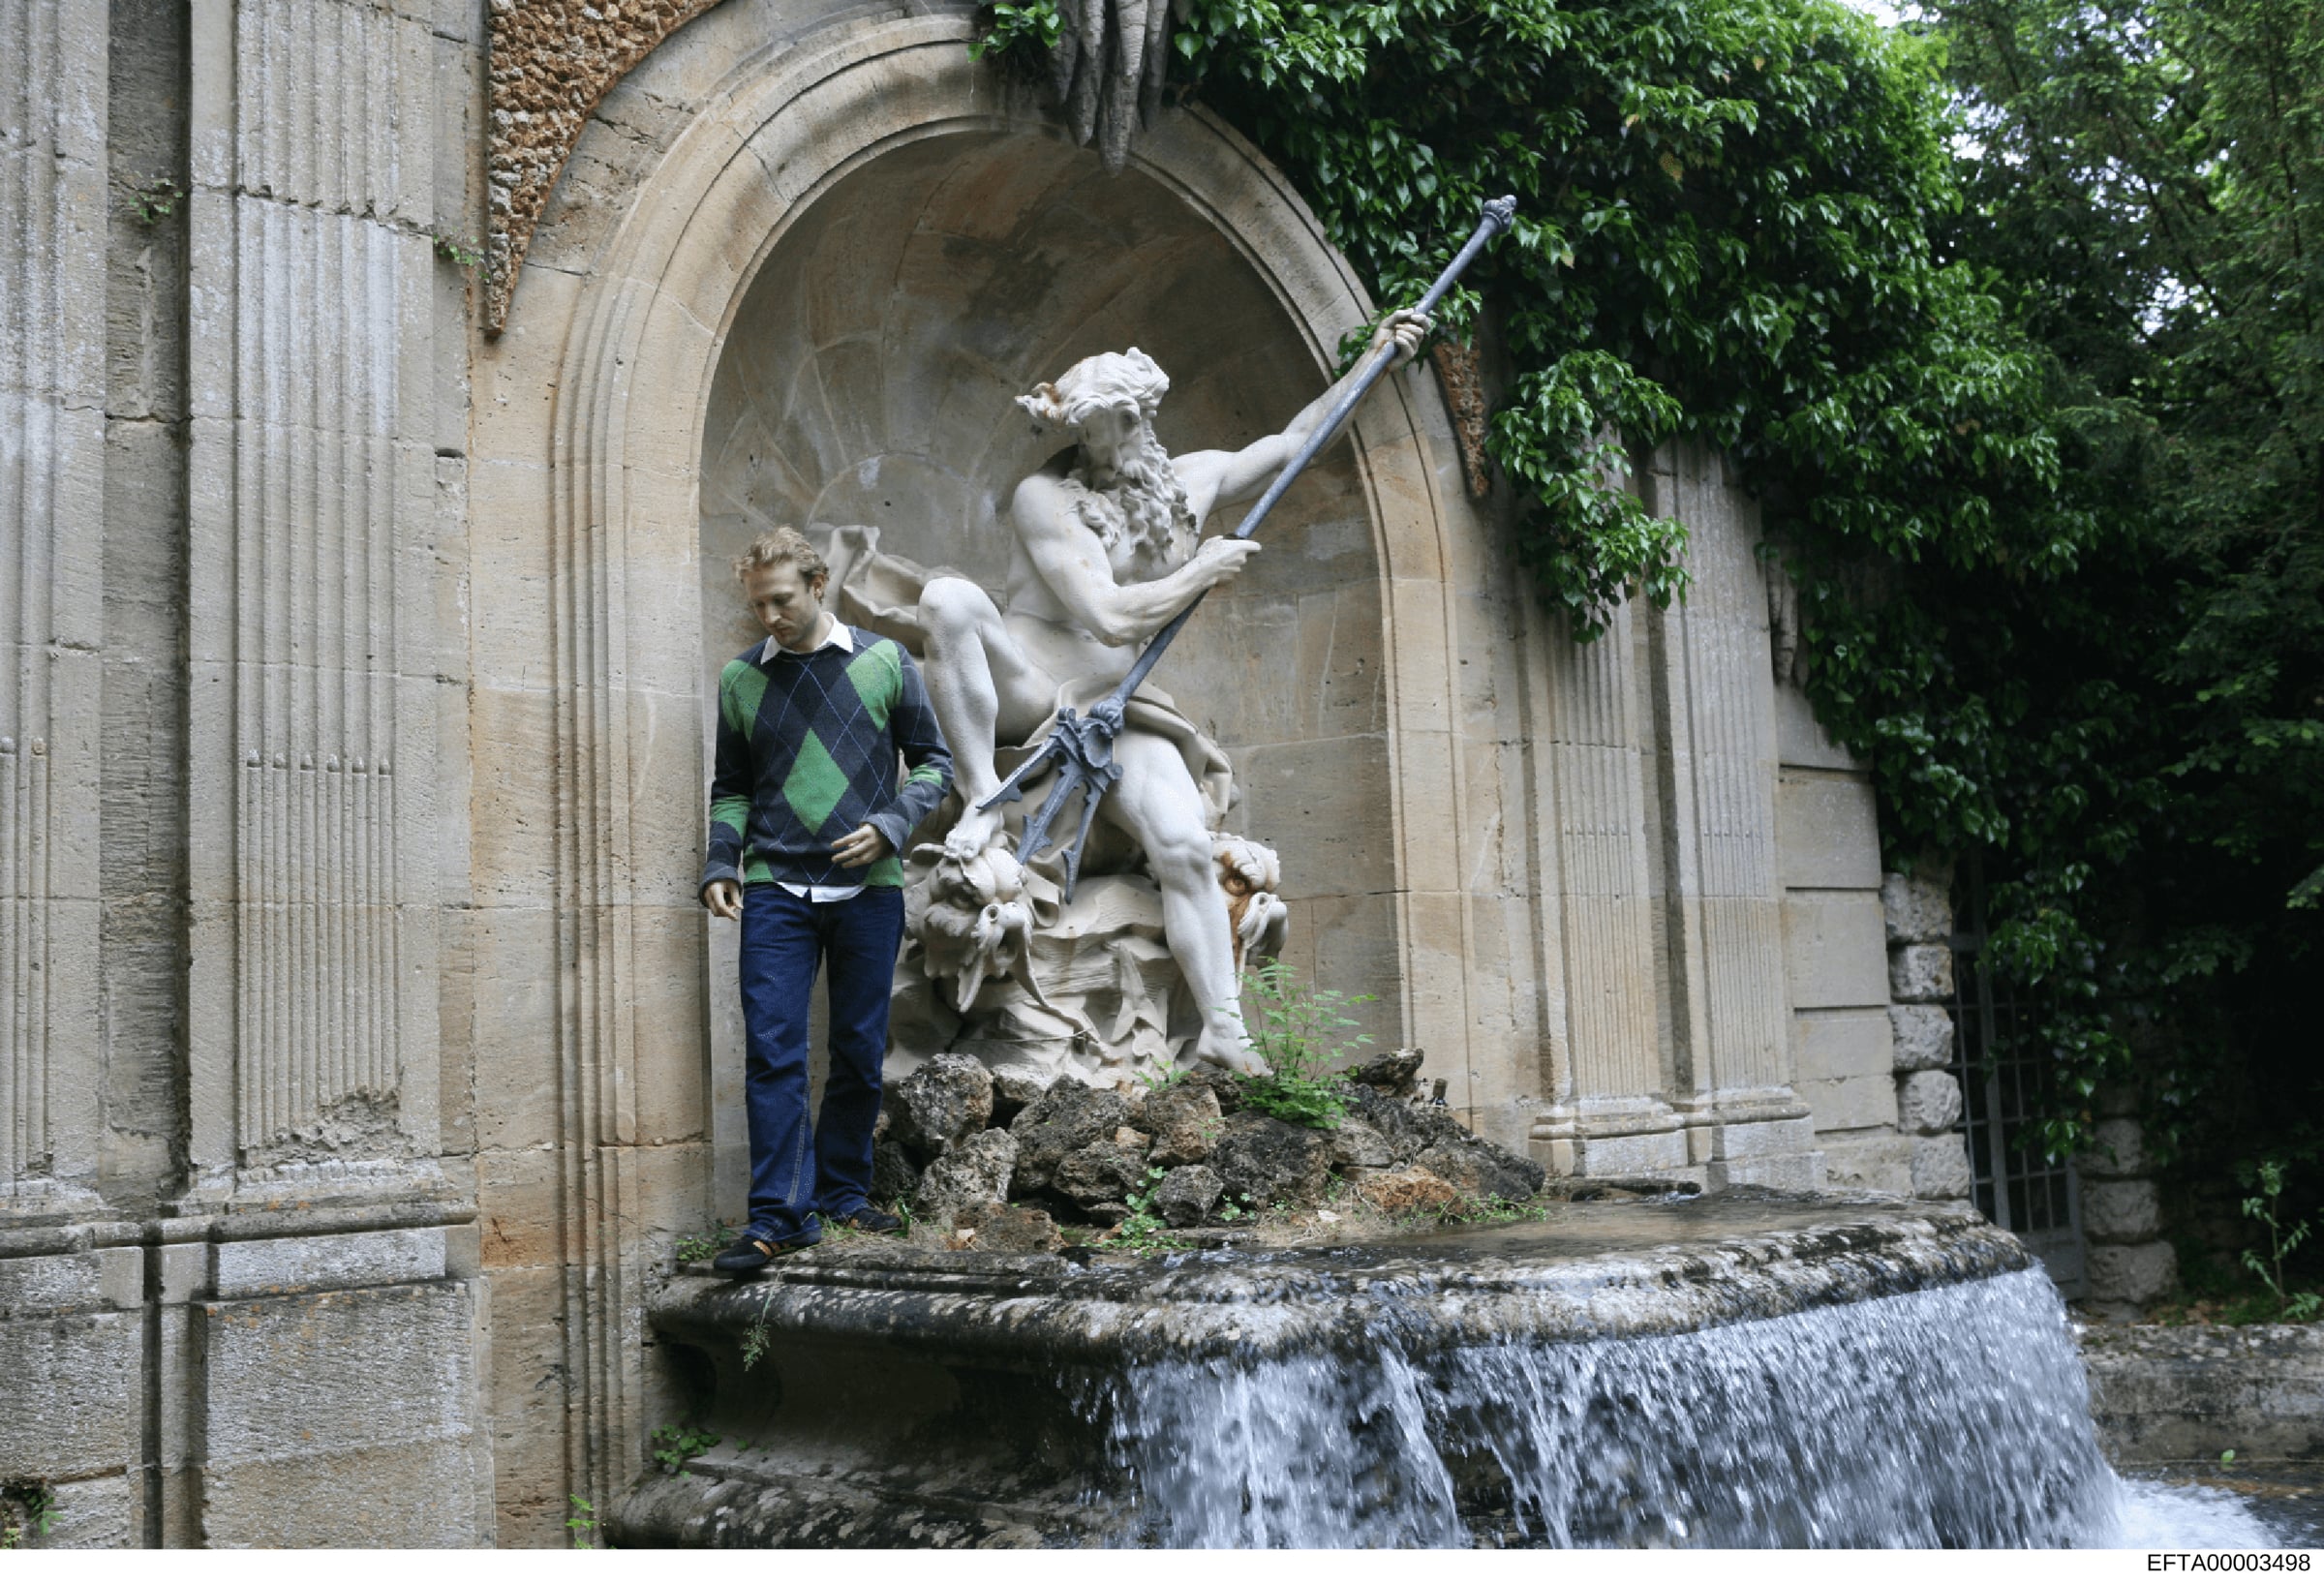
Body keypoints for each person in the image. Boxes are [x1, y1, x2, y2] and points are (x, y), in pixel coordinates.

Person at [912, 309, 1429, 1073]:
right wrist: (1200, 571)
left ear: (1139, 418)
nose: (1096, 447)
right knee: (948, 601)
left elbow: (1294, 443)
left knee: (1185, 844)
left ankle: (1224, 1030)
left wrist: (1376, 360)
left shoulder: (1190, 480)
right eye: (1084, 432)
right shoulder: (1043, 498)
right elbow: (1109, 614)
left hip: (1120, 707)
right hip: (1033, 685)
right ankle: (983, 793)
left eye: (1110, 428)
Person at [699, 527, 953, 1274]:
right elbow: (733, 787)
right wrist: (722, 860)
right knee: (773, 1051)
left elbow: (935, 765)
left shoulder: (883, 662)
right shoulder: (741, 680)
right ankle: (779, 1214)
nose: (769, 616)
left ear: (818, 584)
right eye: (758, 605)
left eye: (781, 600)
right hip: (776, 884)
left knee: (856, 1047)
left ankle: (842, 1192)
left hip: (868, 888)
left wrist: (891, 825)